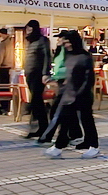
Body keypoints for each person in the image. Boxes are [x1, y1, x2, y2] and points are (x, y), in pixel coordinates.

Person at [44, 30, 100, 159]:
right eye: (65, 42)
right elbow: (68, 74)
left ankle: (94, 146)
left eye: (69, 42)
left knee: (87, 121)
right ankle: (58, 147)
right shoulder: (69, 56)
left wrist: (81, 92)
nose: (67, 45)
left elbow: (89, 78)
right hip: (69, 92)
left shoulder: (84, 56)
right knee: (65, 120)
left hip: (82, 94)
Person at [22, 19, 51, 139]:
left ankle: (42, 127)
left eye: (30, 29)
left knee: (36, 101)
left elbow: (47, 57)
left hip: (38, 73)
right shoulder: (29, 41)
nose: (28, 31)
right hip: (29, 73)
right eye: (27, 29)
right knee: (36, 101)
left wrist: (45, 73)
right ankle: (40, 127)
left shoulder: (42, 40)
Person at [0, 28, 15, 113]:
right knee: (8, 87)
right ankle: (8, 106)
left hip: (3, 68)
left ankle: (4, 106)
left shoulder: (2, 45)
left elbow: (0, 58)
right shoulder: (13, 42)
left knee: (3, 87)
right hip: (12, 67)